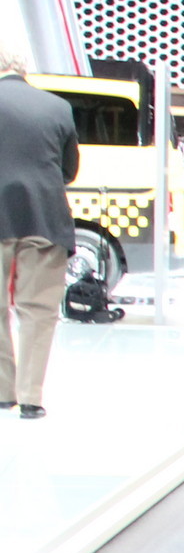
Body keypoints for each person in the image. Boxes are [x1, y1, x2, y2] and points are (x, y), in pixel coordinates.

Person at [0, 51, 78, 420]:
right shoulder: (58, 107)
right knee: (38, 310)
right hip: (45, 216)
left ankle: (2, 391)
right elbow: (69, 169)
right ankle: (30, 397)